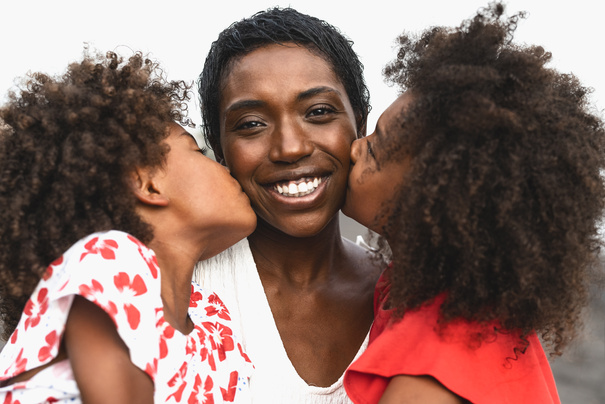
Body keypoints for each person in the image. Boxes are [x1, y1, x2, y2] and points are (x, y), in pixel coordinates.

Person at [341, 3, 605, 403]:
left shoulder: (427, 375)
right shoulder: (483, 316)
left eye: (375, 149)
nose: (354, 149)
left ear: (429, 202)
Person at [0, 50, 257, 403]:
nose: (224, 164)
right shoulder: (109, 257)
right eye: (197, 151)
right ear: (147, 184)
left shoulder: (213, 321)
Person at [194, 7, 382, 403]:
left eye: (318, 112)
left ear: (360, 125)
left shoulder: (415, 295)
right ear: (220, 147)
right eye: (251, 124)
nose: (290, 148)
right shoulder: (183, 289)